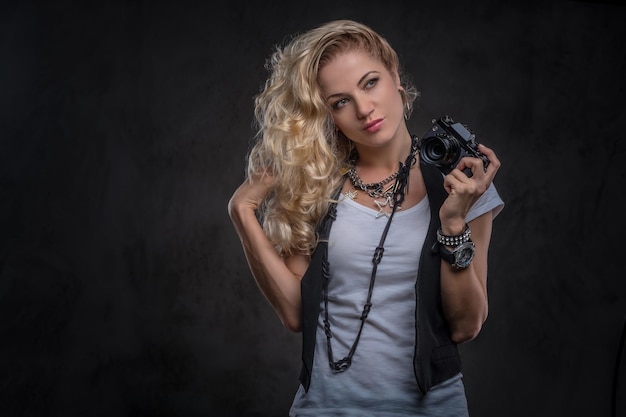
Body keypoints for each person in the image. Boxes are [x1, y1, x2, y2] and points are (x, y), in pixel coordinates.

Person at [228, 19, 504, 416]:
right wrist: (242, 212)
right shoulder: (314, 187)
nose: (362, 108)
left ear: (394, 76)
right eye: (340, 101)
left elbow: (466, 326)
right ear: (328, 115)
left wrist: (453, 225)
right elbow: (294, 313)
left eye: (370, 82)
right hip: (326, 408)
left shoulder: (463, 183)